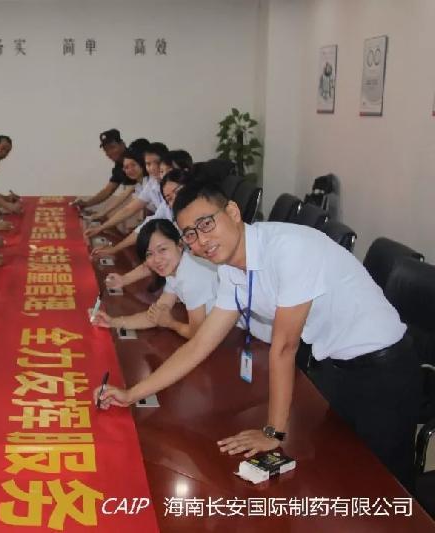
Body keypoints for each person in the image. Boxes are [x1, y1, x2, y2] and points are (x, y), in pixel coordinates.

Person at [96, 180, 420, 489]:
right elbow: (199, 344)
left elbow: (284, 347)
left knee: (389, 485)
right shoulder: (230, 269)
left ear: (233, 212)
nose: (201, 240)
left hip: (384, 368)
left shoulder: (289, 249)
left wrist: (273, 433)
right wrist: (132, 394)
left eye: (206, 224)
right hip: (335, 366)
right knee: (342, 472)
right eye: (190, 234)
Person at [92, 219, 217, 339]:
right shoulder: (175, 271)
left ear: (179, 245)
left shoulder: (191, 277)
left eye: (162, 249)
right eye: (149, 254)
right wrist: (112, 322)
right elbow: (155, 315)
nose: (156, 260)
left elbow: (196, 334)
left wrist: (171, 323)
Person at [92, 168, 191, 259]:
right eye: (169, 198)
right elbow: (149, 225)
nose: (176, 199)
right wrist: (115, 249)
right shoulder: (166, 207)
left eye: (177, 191)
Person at [85, 143, 167, 239]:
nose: (130, 170)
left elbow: (130, 208)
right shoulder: (142, 185)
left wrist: (102, 222)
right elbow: (128, 209)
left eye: (133, 165)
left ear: (141, 165)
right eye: (126, 167)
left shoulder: (152, 181)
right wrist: (101, 225)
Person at [70, 129, 132, 210]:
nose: (109, 153)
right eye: (106, 150)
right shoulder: (119, 166)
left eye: (112, 147)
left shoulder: (135, 159)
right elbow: (109, 190)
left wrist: (104, 213)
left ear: (122, 144)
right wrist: (86, 204)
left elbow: (133, 194)